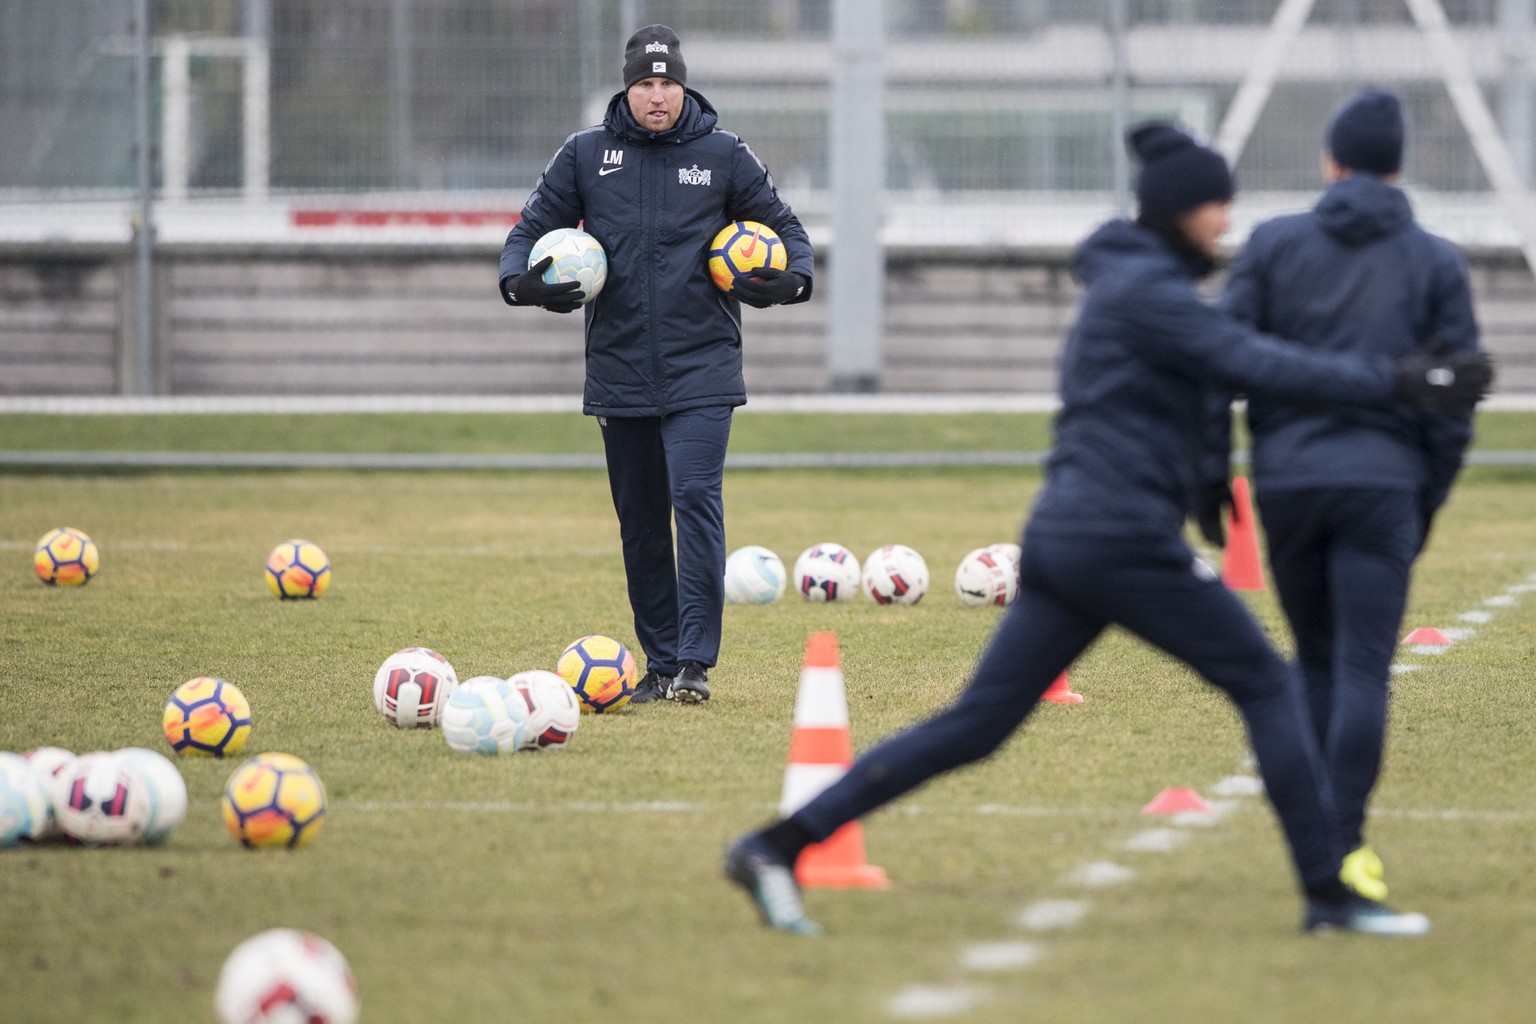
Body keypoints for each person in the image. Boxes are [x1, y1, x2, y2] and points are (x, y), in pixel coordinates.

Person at [723, 123, 1492, 937]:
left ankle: (775, 844)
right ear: (1179, 212)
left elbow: (1198, 385)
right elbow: (1252, 361)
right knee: (1269, 684)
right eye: (1215, 207)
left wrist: (1201, 479)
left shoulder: (1137, 280)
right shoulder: (1145, 293)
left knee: (978, 726)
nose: (1226, 224)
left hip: (1071, 536)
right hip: (1121, 541)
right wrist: (1403, 381)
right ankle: (1330, 896)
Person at [1197, 89, 1481, 901]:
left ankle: (1321, 844)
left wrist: (1215, 469)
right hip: (1384, 484)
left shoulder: (1278, 246)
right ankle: (1345, 840)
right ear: (1398, 165)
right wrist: (1426, 492)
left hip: (1289, 483)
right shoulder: (1435, 259)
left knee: (1315, 661)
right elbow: (1455, 397)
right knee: (1361, 665)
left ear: (1330, 160)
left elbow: (1222, 361)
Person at [499, 25, 814, 705]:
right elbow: (527, 232)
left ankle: (696, 663)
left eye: (668, 83)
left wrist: (794, 280)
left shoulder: (724, 154)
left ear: (684, 87)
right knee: (640, 520)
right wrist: (519, 282)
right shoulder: (585, 155)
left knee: (694, 501)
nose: (657, 96)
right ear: (628, 87)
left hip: (703, 366)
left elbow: (787, 230)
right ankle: (662, 662)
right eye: (645, 83)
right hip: (618, 368)